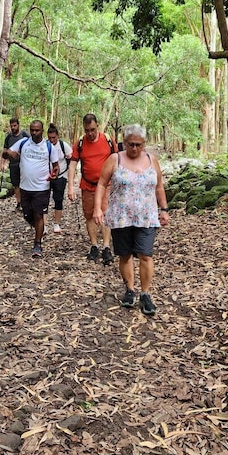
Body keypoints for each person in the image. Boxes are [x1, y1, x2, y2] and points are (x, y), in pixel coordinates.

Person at [93, 123, 169, 316]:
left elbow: (159, 186)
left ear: (144, 144)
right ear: (124, 142)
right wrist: (97, 208)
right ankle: (130, 289)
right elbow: (101, 183)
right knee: (125, 254)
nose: (134, 148)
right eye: (131, 144)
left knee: (145, 254)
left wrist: (164, 209)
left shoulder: (152, 160)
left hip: (146, 217)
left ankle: (145, 293)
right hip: (121, 217)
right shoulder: (115, 159)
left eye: (139, 145)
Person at [2, 120, 60, 258]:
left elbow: (56, 166)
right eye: (32, 130)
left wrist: (54, 174)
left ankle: (37, 244)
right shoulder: (23, 143)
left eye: (37, 130)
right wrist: (9, 154)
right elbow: (5, 153)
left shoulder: (48, 146)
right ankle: (40, 229)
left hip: (42, 187)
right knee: (27, 215)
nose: (34, 133)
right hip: (25, 187)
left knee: (39, 215)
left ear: (42, 130)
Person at [67, 113, 117, 265]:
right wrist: (70, 186)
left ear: (98, 126)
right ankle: (94, 245)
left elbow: (117, 160)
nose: (90, 133)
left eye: (93, 130)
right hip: (87, 185)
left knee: (105, 214)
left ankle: (106, 247)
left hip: (106, 185)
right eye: (87, 130)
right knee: (89, 215)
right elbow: (73, 164)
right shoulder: (80, 143)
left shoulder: (108, 140)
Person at [46, 124, 72, 234]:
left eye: (54, 138)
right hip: (47, 176)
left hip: (61, 176)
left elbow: (71, 157)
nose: (51, 140)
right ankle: (43, 225)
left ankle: (56, 223)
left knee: (58, 199)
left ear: (58, 136)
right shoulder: (45, 146)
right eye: (50, 138)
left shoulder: (63, 145)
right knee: (44, 200)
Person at [2, 117, 29, 211]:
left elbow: (32, 146)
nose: (13, 128)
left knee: (24, 183)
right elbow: (4, 151)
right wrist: (3, 164)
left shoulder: (25, 135)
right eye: (11, 126)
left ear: (18, 125)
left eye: (15, 125)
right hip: (13, 164)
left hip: (24, 164)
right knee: (16, 184)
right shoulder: (8, 137)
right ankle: (19, 202)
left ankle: (26, 202)